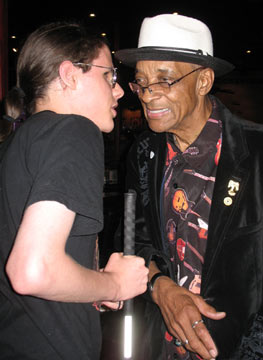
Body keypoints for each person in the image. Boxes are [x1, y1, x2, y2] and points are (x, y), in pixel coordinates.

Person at [115, 13, 263, 360]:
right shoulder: (143, 153)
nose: (148, 96)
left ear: (203, 81)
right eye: (141, 82)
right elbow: (129, 238)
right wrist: (159, 286)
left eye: (164, 80)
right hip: (159, 348)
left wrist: (256, 352)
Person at [0, 21, 149, 360]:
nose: (120, 90)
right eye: (109, 76)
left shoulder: (13, 147)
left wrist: (88, 283)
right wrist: (115, 283)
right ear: (69, 75)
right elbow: (32, 271)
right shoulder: (75, 130)